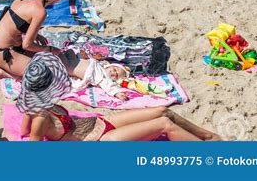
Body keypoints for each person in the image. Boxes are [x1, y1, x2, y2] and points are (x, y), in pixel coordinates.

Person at [16, 52, 222, 141]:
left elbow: (24, 129)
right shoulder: (41, 116)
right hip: (98, 142)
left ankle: (207, 137)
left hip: (99, 123)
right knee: (163, 124)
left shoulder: (37, 104)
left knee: (163, 111)